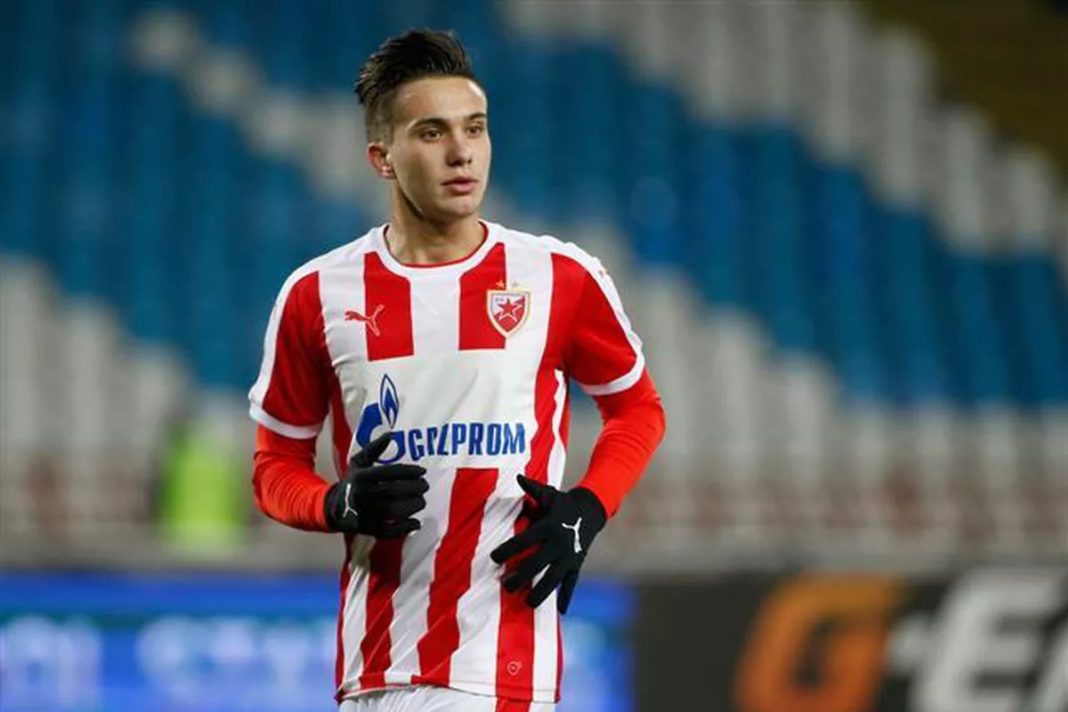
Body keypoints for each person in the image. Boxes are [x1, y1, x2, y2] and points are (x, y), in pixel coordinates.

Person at [248, 29, 665, 712]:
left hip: (499, 669)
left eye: (475, 127)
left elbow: (638, 409)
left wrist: (589, 507)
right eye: (432, 132)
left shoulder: (559, 277)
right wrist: (335, 504)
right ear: (382, 158)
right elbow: (274, 467)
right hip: (373, 669)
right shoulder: (317, 294)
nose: (462, 151)